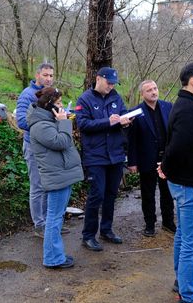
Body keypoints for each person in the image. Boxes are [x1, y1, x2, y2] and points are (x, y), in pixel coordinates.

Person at [158, 62, 193, 303]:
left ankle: (183, 282)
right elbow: (178, 147)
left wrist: (166, 167)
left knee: (183, 235)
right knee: (192, 243)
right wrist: (167, 168)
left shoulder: (187, 105)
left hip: (186, 183)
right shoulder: (189, 109)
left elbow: (175, 145)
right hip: (190, 186)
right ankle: (188, 296)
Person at [76, 67, 132, 251]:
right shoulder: (85, 99)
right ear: (98, 79)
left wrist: (126, 120)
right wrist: (109, 121)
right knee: (97, 194)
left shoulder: (116, 97)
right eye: (109, 83)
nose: (111, 86)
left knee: (111, 194)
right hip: (96, 156)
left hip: (115, 155)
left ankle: (106, 230)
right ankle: (88, 235)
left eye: (114, 83)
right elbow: (82, 124)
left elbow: (122, 114)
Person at [27, 87, 84, 269]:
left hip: (61, 174)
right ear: (49, 105)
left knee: (56, 217)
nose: (61, 107)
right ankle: (52, 258)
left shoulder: (47, 122)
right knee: (54, 218)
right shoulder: (40, 126)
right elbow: (62, 142)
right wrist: (64, 122)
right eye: (58, 103)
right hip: (56, 176)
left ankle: (55, 255)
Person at [127, 80, 176, 237]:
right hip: (147, 159)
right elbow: (131, 140)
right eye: (149, 90)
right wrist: (132, 162)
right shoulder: (135, 112)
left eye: (155, 88)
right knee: (147, 194)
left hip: (167, 159)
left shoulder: (168, 107)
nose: (154, 92)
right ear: (142, 94)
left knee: (167, 192)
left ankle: (168, 222)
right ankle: (149, 224)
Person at [16, 62, 57, 237]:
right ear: (37, 75)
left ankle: (49, 222)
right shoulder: (27, 95)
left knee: (49, 184)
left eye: (51, 76)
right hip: (33, 145)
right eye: (45, 75)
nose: (48, 79)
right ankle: (39, 225)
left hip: (48, 145)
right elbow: (22, 122)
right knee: (38, 185)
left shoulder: (51, 93)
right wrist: (47, 121)